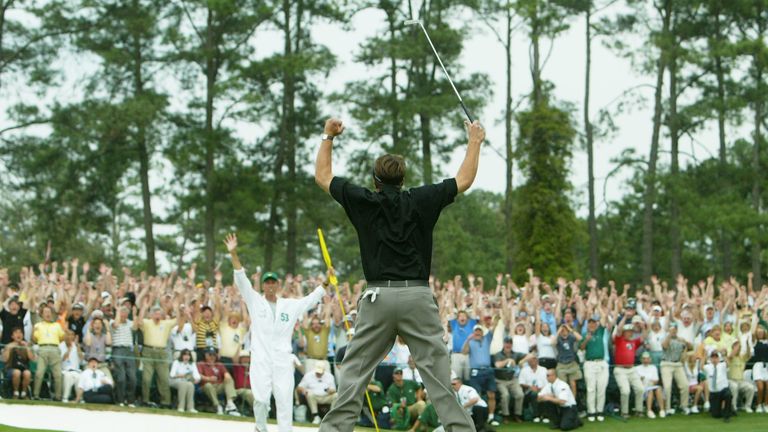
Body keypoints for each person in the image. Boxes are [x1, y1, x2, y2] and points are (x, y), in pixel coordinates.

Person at [314, 117, 485, 432]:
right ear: (402, 179)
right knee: (437, 375)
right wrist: (474, 141)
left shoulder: (364, 201)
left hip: (378, 296)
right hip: (417, 297)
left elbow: (323, 176)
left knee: (354, 372)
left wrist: (329, 136)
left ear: (375, 180)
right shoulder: (421, 199)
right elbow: (464, 179)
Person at [225, 233, 326, 432]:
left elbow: (310, 300)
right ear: (263, 285)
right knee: (261, 399)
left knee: (284, 400)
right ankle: (260, 428)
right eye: (267, 282)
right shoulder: (255, 301)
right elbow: (241, 278)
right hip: (261, 358)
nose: (270, 285)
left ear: (277, 285)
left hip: (282, 360)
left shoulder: (289, 305)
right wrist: (233, 253)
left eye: (273, 282)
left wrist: (327, 284)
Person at [139, 302, 180, 408]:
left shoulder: (166, 323)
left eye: (159, 313)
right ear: (151, 315)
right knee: (146, 378)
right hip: (148, 352)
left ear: (162, 315)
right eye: (155, 313)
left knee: (164, 379)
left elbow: (178, 321)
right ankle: (145, 400)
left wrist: (177, 309)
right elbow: (139, 322)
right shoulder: (147, 322)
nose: (157, 315)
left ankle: (166, 402)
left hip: (162, 353)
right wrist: (143, 309)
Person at [463, 324, 498, 426]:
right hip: (475, 371)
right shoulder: (470, 342)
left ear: (482, 333)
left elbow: (493, 327)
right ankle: (477, 418)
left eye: (479, 331)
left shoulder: (487, 339)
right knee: (476, 395)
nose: (478, 333)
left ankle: (491, 417)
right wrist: (468, 340)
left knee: (491, 394)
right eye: (476, 331)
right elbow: (464, 352)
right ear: (473, 333)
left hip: (488, 370)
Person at [580, 315, 610, 422]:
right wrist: (586, 340)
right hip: (589, 363)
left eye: (594, 323)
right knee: (591, 388)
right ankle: (591, 411)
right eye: (590, 323)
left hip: (601, 362)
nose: (592, 325)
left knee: (601, 388)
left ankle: (600, 410)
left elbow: (604, 319)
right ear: (587, 325)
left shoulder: (600, 332)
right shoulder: (584, 335)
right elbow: (581, 348)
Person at [32, 304, 64, 400]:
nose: (48, 314)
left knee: (58, 374)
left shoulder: (57, 325)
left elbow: (62, 338)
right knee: (39, 373)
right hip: (43, 348)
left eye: (49, 312)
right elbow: (34, 339)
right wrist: (33, 331)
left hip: (54, 348)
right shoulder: (38, 325)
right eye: (45, 312)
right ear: (41, 314)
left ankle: (58, 396)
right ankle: (35, 395)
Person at [612, 322, 644, 418]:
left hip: (632, 369)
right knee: (625, 391)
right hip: (620, 369)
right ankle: (624, 412)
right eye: (628, 331)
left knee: (640, 389)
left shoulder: (633, 342)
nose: (630, 333)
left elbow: (643, 337)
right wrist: (625, 317)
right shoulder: (619, 340)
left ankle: (639, 410)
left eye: (631, 332)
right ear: (624, 332)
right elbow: (618, 330)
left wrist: (645, 327)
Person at [197, 347, 241, 416]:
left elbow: (227, 375)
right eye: (210, 355)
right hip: (205, 386)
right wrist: (208, 378)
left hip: (218, 386)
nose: (212, 357)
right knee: (208, 385)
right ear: (205, 355)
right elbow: (198, 376)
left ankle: (230, 403)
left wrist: (226, 375)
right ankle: (217, 406)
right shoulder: (201, 364)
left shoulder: (219, 364)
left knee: (229, 380)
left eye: (214, 355)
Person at [111, 304, 139, 407]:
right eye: (122, 313)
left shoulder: (129, 323)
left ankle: (130, 400)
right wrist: (118, 311)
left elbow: (136, 327)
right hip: (118, 349)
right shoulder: (113, 322)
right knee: (121, 377)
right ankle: (120, 400)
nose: (124, 316)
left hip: (129, 350)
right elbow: (116, 324)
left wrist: (135, 314)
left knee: (132, 377)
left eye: (126, 314)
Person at [660, 322, 691, 415]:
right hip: (666, 363)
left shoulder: (680, 339)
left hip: (677, 364)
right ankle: (667, 408)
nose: (673, 331)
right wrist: (670, 334)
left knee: (685, 385)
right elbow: (665, 346)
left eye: (675, 329)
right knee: (667, 387)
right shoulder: (665, 337)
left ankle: (684, 406)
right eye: (671, 329)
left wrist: (685, 342)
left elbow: (690, 347)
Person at [493, 337, 526, 423]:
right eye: (506, 343)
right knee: (505, 395)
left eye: (510, 343)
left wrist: (521, 361)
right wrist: (508, 360)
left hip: (512, 379)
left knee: (520, 394)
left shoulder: (516, 354)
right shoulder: (498, 354)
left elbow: (530, 355)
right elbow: (497, 365)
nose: (508, 345)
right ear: (503, 344)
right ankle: (505, 416)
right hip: (500, 380)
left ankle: (517, 415)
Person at [553, 323, 582, 403]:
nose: (564, 332)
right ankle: (565, 401)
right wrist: (558, 331)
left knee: (573, 384)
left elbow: (580, 338)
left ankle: (573, 402)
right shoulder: (558, 339)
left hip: (571, 363)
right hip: (562, 364)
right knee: (563, 385)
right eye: (562, 331)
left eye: (565, 330)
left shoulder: (571, 337)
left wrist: (570, 329)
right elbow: (552, 343)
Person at [2, 327, 34, 399]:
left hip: (24, 368)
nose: (18, 334)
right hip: (11, 369)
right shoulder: (8, 346)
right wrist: (8, 348)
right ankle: (15, 393)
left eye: (20, 332)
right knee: (17, 372)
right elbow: (4, 359)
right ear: (12, 336)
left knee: (27, 373)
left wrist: (27, 348)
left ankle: (24, 393)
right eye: (16, 332)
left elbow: (33, 359)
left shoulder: (25, 346)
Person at [704, 351, 733, 422]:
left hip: (723, 390)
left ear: (718, 358)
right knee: (716, 415)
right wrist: (704, 356)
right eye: (713, 357)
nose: (714, 359)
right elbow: (701, 367)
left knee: (728, 395)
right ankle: (728, 410)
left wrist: (724, 356)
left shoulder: (722, 365)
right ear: (710, 359)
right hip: (714, 393)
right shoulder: (708, 367)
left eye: (716, 357)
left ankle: (727, 416)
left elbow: (728, 364)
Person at [727, 340, 755, 413]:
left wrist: (748, 345)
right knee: (734, 387)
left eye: (739, 347)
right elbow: (731, 356)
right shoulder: (730, 357)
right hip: (731, 380)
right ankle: (734, 406)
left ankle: (747, 406)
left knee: (751, 388)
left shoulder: (742, 357)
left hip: (741, 381)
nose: (738, 349)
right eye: (737, 347)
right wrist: (737, 345)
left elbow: (749, 354)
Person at [635, 351, 665, 418]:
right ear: (641, 359)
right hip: (642, 388)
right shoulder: (637, 368)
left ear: (650, 359)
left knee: (658, 389)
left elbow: (656, 380)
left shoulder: (653, 367)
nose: (646, 360)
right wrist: (641, 380)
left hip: (651, 386)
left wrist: (650, 382)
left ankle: (662, 410)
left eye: (647, 359)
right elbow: (636, 381)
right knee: (650, 391)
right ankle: (649, 411)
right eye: (644, 359)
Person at [450, 310, 478, 381]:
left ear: (467, 318)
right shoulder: (454, 324)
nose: (462, 317)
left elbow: (474, 309)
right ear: (457, 319)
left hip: (468, 355)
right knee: (456, 378)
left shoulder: (471, 324)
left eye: (464, 316)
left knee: (468, 378)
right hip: (456, 355)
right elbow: (451, 310)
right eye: (460, 316)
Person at [519, 355, 548, 423]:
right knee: (534, 394)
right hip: (529, 390)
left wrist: (541, 389)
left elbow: (547, 382)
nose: (533, 362)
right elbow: (521, 382)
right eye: (531, 360)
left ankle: (545, 415)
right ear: (528, 362)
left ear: (537, 361)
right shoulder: (524, 370)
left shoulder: (543, 369)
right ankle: (536, 415)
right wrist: (530, 387)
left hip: (542, 389)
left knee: (545, 395)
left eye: (534, 360)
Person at [170, 348, 201, 413]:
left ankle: (190, 407)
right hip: (175, 380)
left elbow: (197, 375)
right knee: (183, 384)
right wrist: (180, 375)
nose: (186, 357)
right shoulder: (177, 362)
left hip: (186, 381)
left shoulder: (192, 364)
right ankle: (181, 407)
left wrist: (197, 379)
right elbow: (172, 375)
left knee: (190, 385)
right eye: (185, 355)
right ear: (182, 356)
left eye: (188, 355)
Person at [59, 329, 82, 403]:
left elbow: (81, 359)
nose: (70, 337)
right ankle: (65, 398)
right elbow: (62, 359)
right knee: (68, 376)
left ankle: (79, 399)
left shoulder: (76, 346)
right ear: (65, 336)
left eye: (72, 335)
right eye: (68, 334)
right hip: (64, 370)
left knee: (79, 377)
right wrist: (69, 350)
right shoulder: (60, 345)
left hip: (75, 370)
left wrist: (78, 348)